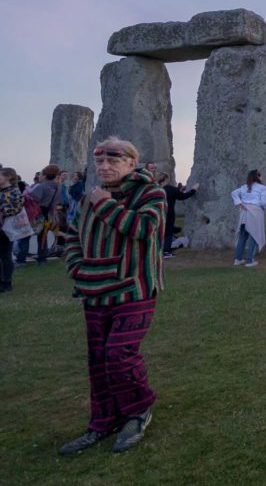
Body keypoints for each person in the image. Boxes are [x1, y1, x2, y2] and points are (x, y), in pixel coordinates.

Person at [60, 137, 166, 455]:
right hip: (94, 288)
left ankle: (137, 410)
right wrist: (76, 266)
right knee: (98, 360)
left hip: (134, 288)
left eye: (113, 161)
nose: (105, 167)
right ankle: (103, 420)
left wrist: (105, 204)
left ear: (131, 163)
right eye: (100, 162)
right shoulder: (87, 199)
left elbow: (144, 228)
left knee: (119, 353)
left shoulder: (151, 193)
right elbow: (71, 235)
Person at [16, 163, 61, 266]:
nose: (38, 176)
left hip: (36, 215)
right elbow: (56, 203)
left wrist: (27, 191)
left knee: (25, 237)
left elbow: (32, 199)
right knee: (43, 238)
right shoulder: (57, 188)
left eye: (40, 174)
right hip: (48, 215)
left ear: (45, 176)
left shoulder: (41, 186)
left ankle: (21, 260)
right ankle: (42, 260)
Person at [231, 170, 266, 267]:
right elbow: (263, 202)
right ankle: (249, 260)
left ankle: (237, 259)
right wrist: (265, 209)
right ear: (258, 177)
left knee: (243, 235)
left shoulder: (244, 187)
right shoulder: (262, 188)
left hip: (244, 211)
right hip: (255, 211)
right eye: (261, 176)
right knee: (254, 235)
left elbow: (233, 193)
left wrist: (240, 203)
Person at [158, 174, 199, 258]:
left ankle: (158, 251)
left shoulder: (155, 188)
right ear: (167, 179)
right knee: (168, 233)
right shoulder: (170, 189)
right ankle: (166, 252)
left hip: (156, 213)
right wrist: (193, 190)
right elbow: (183, 196)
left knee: (160, 232)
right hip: (168, 213)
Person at [0, 167, 24, 292]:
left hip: (6, 228)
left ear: (8, 177)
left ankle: (6, 282)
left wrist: (3, 212)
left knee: (5, 255)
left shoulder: (13, 191)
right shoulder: (2, 191)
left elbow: (17, 207)